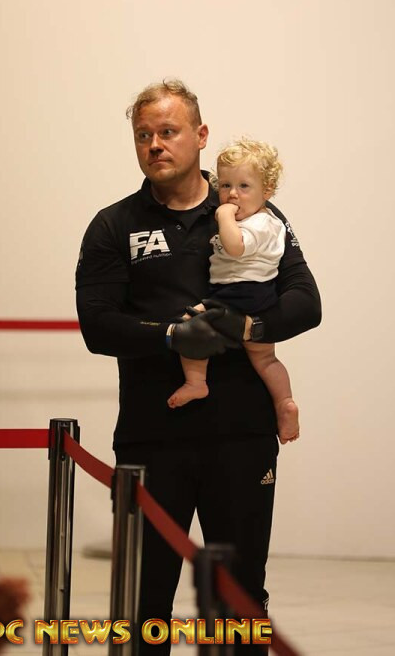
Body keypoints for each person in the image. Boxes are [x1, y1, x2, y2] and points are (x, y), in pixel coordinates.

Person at [76, 79, 321, 654]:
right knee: (144, 600)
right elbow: (98, 326)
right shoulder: (114, 225)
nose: (155, 144)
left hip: (242, 435)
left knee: (240, 596)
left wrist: (249, 328)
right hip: (152, 437)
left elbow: (306, 303)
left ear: (201, 135)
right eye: (144, 135)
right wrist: (170, 335)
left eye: (169, 131)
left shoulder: (252, 208)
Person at [167, 137, 300, 446]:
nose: (232, 194)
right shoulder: (261, 220)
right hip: (259, 296)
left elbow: (236, 248)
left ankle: (196, 381)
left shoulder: (260, 223)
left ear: (267, 191)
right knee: (265, 359)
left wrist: (224, 217)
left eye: (244, 186)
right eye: (225, 186)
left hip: (240, 293)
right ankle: (284, 401)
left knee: (190, 326)